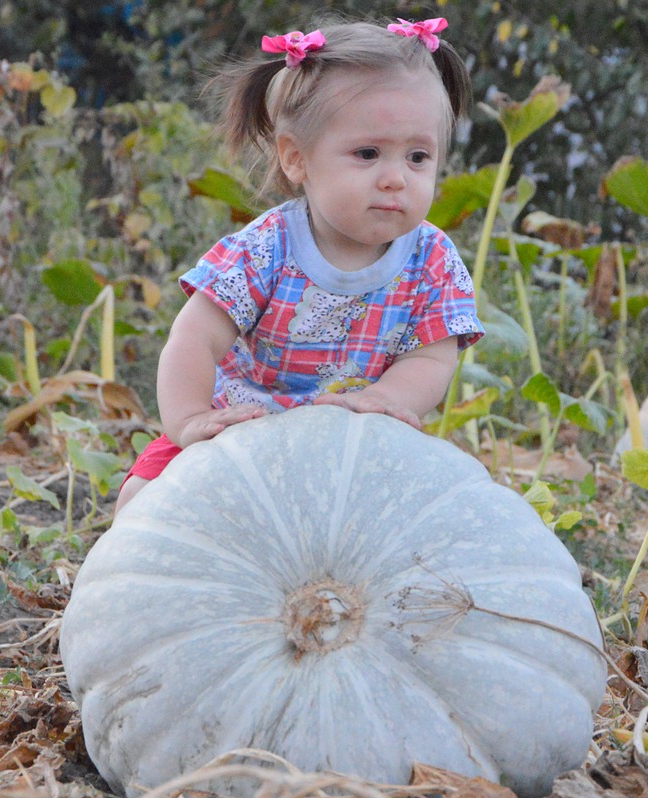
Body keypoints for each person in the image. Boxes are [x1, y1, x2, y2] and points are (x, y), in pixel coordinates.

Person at [115, 16, 484, 515]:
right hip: (239, 431)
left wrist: (382, 399)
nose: (396, 177)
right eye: (368, 153)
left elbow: (431, 359)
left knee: (442, 516)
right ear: (297, 159)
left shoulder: (433, 260)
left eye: (418, 157)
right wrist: (189, 421)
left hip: (356, 444)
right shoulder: (267, 247)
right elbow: (194, 338)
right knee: (142, 500)